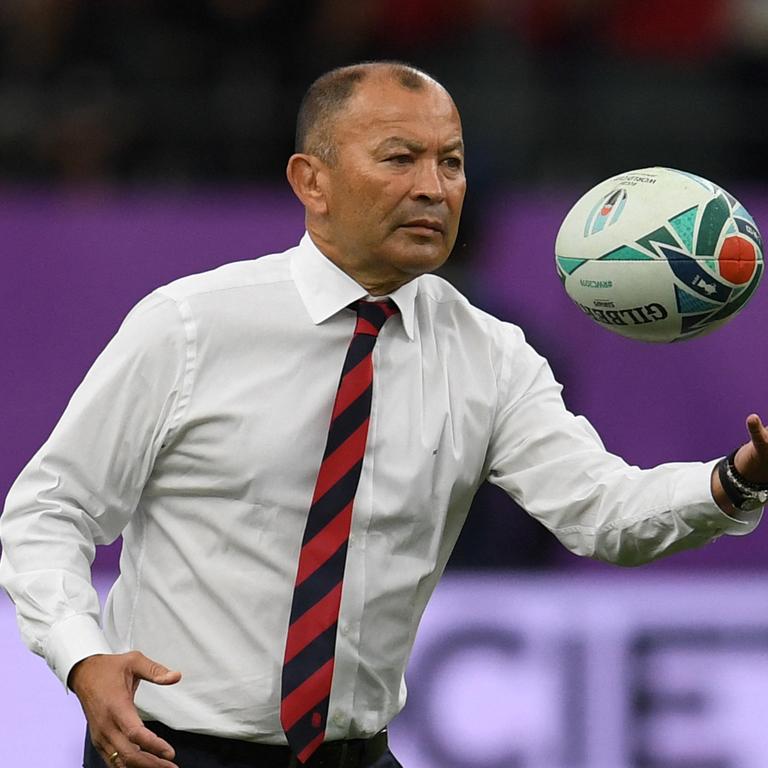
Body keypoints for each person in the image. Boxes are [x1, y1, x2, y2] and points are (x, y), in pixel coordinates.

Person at [1, 60, 767, 768]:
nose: (434, 187)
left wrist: (736, 480)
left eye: (452, 161)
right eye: (400, 158)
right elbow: (48, 511)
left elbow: (601, 511)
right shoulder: (191, 324)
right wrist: (81, 655)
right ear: (312, 181)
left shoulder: (490, 353)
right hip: (166, 752)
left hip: (357, 754)